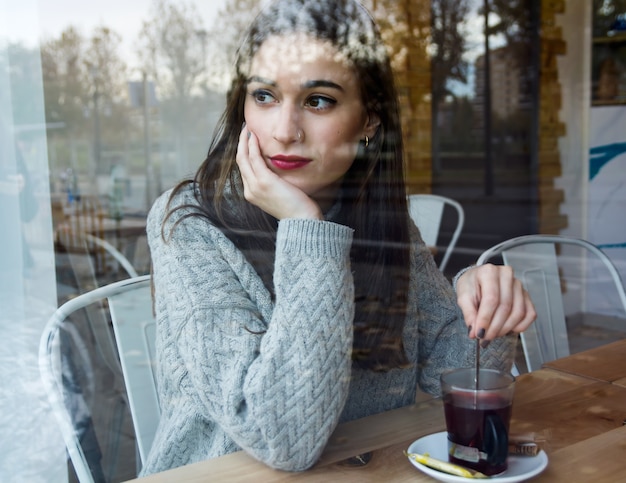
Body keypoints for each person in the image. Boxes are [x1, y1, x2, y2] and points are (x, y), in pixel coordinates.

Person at [142, 0, 535, 476]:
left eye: (318, 101)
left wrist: (485, 304)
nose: (284, 131)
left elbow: (445, 372)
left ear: (369, 120)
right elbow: (281, 438)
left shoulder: (379, 218)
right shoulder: (189, 222)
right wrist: (307, 229)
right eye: (264, 96)